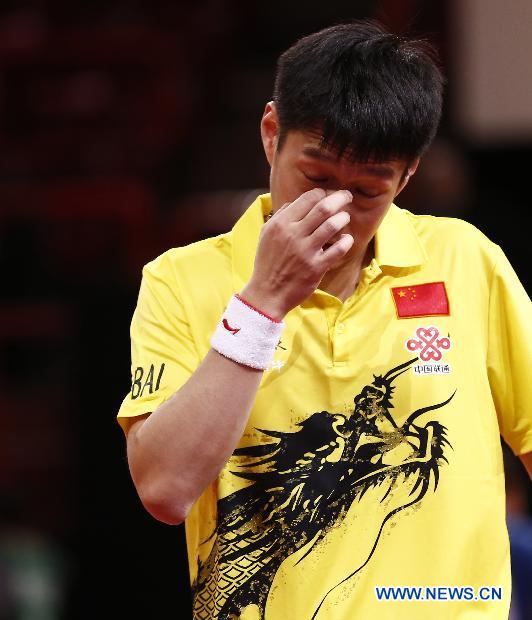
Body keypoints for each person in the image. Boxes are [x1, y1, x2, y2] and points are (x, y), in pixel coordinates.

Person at [117, 21, 532, 620]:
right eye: (315, 178)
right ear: (270, 134)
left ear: (407, 175)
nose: (334, 210)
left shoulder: (465, 261)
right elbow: (164, 490)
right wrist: (262, 303)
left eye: (367, 191)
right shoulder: (181, 282)